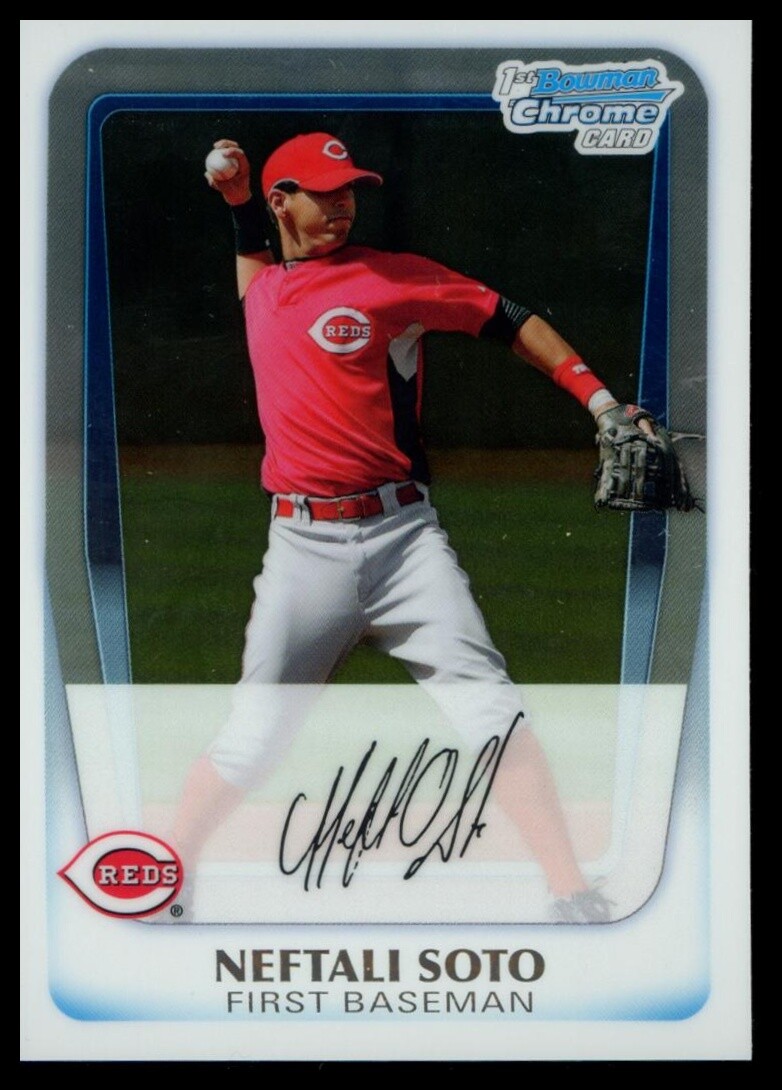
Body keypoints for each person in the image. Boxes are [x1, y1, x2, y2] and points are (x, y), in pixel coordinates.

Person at [171, 131, 627, 923]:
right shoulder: (264, 290)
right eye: (323, 192)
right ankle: (158, 878)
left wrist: (601, 402)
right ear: (283, 202)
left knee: (491, 713)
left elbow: (507, 316)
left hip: (405, 543)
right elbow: (255, 255)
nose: (343, 204)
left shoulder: (393, 278)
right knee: (252, 740)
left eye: (349, 189)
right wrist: (238, 201)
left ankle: (569, 889)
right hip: (302, 550)